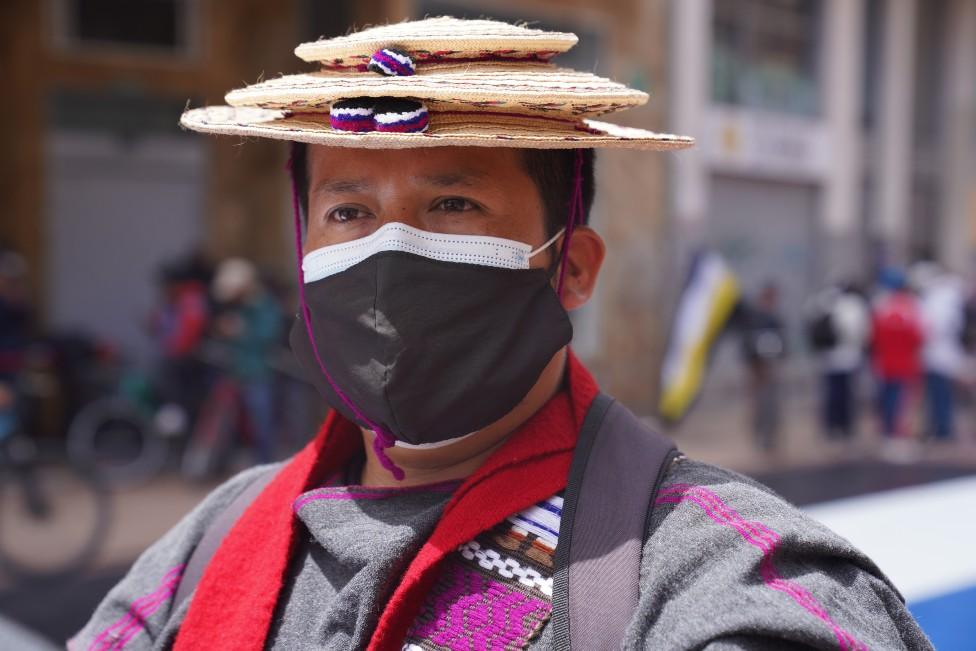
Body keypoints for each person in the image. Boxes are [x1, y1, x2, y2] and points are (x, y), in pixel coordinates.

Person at [73, 18, 931, 650]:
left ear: (573, 266)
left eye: (454, 204)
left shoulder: (703, 561)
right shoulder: (216, 534)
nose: (389, 248)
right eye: (348, 210)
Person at [209, 258, 283, 463]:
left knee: (263, 424)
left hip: (259, 373)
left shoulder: (264, 305)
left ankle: (265, 463)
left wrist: (240, 331)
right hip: (237, 373)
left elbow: (269, 335)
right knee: (236, 425)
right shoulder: (239, 307)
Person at [807, 282, 871, 443]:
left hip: (828, 358)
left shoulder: (823, 302)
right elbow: (858, 332)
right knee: (847, 397)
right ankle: (846, 429)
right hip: (848, 357)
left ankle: (832, 428)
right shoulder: (851, 306)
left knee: (832, 396)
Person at [871, 268, 924, 457]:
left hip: (885, 363)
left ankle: (887, 436)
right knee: (902, 403)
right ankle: (898, 438)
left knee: (887, 400)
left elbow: (874, 337)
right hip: (905, 364)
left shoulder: (880, 306)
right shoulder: (910, 307)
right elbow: (918, 337)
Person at [914, 265, 967, 442]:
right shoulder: (949, 300)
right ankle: (940, 427)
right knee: (939, 395)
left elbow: (932, 328)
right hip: (939, 354)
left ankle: (942, 429)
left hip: (937, 355)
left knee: (940, 395)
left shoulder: (939, 301)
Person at [740, 283, 787, 452]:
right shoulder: (755, 318)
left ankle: (771, 439)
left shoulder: (774, 318)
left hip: (771, 367)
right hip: (758, 369)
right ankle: (761, 439)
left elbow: (782, 342)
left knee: (772, 405)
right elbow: (747, 344)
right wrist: (755, 365)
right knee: (760, 405)